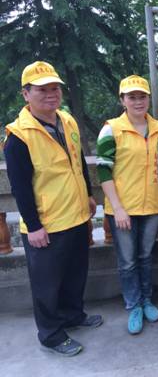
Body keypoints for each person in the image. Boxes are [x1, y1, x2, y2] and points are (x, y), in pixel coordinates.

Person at [4, 61, 102, 356]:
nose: (51, 94)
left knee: (75, 274)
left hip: (76, 214)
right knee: (46, 284)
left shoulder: (66, 120)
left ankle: (73, 315)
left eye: (55, 88)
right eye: (42, 90)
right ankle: (50, 334)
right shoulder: (18, 136)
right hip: (47, 223)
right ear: (26, 94)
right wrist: (33, 225)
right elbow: (20, 186)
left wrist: (88, 195)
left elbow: (78, 160)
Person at [96, 75, 158, 334]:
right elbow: (103, 171)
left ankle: (147, 300)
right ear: (122, 100)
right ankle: (133, 305)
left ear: (149, 99)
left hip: (152, 207)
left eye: (142, 97)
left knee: (145, 257)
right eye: (132, 97)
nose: (138, 102)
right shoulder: (111, 129)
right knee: (127, 261)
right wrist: (118, 208)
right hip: (122, 209)